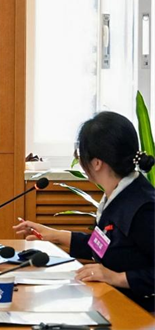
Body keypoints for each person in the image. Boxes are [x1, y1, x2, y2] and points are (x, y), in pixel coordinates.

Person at [14, 111, 155, 311]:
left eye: (80, 156)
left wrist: (116, 277)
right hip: (112, 303)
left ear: (97, 163)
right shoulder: (118, 194)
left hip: (141, 313)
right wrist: (55, 235)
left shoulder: (144, 208)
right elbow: (106, 246)